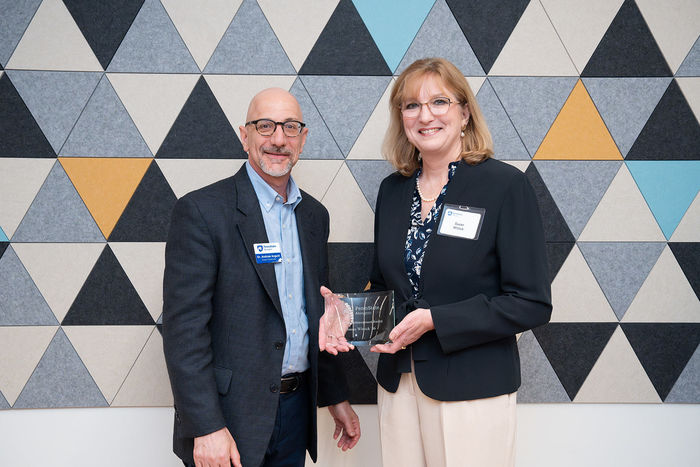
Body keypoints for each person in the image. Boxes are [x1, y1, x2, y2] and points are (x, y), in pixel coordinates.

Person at [321, 58, 551, 467]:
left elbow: (531, 302)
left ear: (464, 112)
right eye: (411, 105)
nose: (424, 115)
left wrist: (435, 320)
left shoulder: (505, 187)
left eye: (439, 101)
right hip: (397, 386)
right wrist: (346, 316)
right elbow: (387, 287)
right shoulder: (393, 192)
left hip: (472, 389)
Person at [163, 88, 360, 467]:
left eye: (290, 127)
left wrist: (335, 397)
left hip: (296, 410)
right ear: (245, 135)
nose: (278, 139)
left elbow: (319, 314)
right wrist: (205, 427)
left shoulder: (314, 217)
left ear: (303, 138)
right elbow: (183, 330)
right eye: (265, 126)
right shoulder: (201, 212)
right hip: (228, 420)